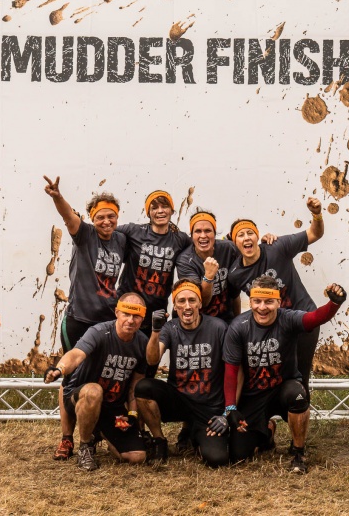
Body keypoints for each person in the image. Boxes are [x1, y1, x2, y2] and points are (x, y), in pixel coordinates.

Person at [218, 276, 346, 473]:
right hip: (254, 394)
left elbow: (315, 318)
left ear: (278, 302)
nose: (262, 307)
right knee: (238, 455)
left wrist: (334, 303)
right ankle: (267, 432)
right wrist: (231, 408)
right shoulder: (238, 327)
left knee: (298, 394)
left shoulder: (288, 318)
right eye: (257, 301)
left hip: (283, 388)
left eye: (269, 302)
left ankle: (298, 452)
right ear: (250, 302)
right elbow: (231, 372)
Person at [43, 176, 127, 461]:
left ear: (117, 217)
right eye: (101, 216)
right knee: (70, 376)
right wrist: (57, 197)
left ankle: (94, 429)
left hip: (106, 321)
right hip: (79, 319)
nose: (106, 221)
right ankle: (67, 438)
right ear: (92, 217)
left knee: (100, 378)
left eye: (111, 216)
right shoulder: (85, 234)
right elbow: (68, 217)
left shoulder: (121, 239)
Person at [43, 293, 149, 471]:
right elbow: (76, 355)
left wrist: (132, 415)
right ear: (117, 312)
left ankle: (99, 432)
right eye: (126, 314)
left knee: (137, 456)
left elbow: (134, 386)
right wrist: (59, 369)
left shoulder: (143, 343)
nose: (131, 320)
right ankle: (85, 446)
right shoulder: (99, 332)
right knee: (94, 391)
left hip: (112, 407)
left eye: (136, 316)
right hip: (82, 398)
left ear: (143, 318)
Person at [226, 197, 325, 387]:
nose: (246, 238)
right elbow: (233, 298)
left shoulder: (277, 247)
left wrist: (317, 214)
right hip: (273, 327)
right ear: (234, 242)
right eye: (240, 235)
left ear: (257, 236)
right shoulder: (235, 274)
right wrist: (237, 324)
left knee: (299, 378)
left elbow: (315, 233)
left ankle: (301, 404)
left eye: (250, 233)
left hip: (303, 318)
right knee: (271, 379)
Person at [135, 280, 229, 467]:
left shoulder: (218, 327)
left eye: (192, 300)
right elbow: (152, 360)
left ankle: (193, 433)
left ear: (200, 303)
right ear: (175, 306)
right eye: (181, 301)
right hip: (179, 399)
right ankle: (159, 441)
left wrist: (227, 413)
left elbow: (233, 369)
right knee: (144, 387)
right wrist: (155, 331)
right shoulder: (170, 328)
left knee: (217, 459)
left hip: (209, 405)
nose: (187, 306)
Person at [116, 190, 191, 338]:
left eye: (165, 206)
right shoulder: (134, 231)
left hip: (156, 313)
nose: (160, 211)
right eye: (154, 208)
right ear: (148, 213)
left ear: (172, 210)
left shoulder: (180, 239)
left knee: (150, 352)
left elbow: (200, 248)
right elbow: (104, 231)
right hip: (128, 308)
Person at [175, 210, 238, 323]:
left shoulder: (229, 249)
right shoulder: (184, 261)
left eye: (208, 231)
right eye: (198, 231)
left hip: (226, 317)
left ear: (214, 233)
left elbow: (251, 254)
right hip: (198, 321)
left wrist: (267, 244)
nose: (203, 236)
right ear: (192, 235)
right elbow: (202, 302)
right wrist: (209, 276)